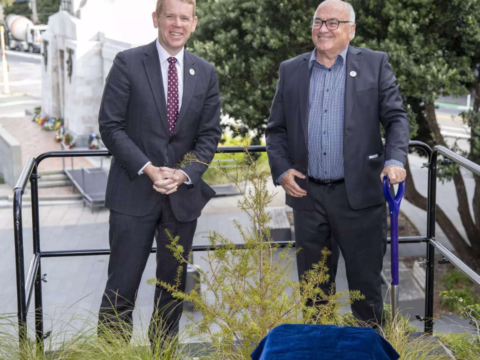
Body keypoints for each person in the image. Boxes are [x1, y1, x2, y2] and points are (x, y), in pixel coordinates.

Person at [266, 0, 409, 326]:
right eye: (319, 22)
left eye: (333, 23)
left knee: (367, 293)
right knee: (314, 294)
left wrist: (395, 159)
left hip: (359, 197)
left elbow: (397, 118)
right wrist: (283, 170)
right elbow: (276, 131)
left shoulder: (374, 63)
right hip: (308, 197)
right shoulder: (291, 69)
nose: (324, 29)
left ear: (351, 29)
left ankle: (371, 349)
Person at [97, 0, 221, 342]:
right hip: (133, 194)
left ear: (194, 23)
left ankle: (163, 352)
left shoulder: (205, 71)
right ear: (156, 19)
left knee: (173, 290)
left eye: (185, 18)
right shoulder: (128, 63)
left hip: (181, 199)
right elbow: (111, 126)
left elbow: (210, 135)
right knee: (121, 287)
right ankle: (112, 352)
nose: (177, 24)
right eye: (170, 16)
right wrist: (149, 169)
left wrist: (182, 174)